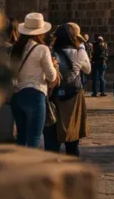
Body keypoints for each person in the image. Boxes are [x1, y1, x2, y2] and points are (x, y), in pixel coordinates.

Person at [10, 12, 58, 148]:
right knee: (34, 139)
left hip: (17, 96)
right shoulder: (42, 49)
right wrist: (54, 66)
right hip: (35, 96)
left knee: (21, 137)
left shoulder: (16, 48)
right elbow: (52, 76)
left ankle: (18, 167)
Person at [44, 23, 91, 156]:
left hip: (53, 96)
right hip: (73, 97)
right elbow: (88, 69)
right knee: (72, 135)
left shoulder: (49, 52)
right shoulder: (78, 53)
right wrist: (81, 44)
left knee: (52, 137)